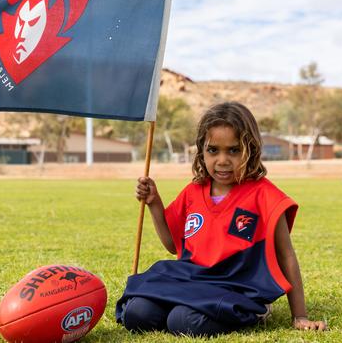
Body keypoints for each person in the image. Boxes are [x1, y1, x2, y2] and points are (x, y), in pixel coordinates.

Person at [116, 101, 327, 337]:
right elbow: (172, 244)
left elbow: (286, 256)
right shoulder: (193, 191)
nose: (223, 160)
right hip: (191, 280)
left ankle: (254, 311)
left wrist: (300, 316)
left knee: (182, 320)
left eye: (234, 150)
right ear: (201, 151)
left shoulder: (265, 196)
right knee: (136, 313)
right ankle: (182, 306)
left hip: (236, 286)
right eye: (213, 150)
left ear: (251, 149)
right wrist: (155, 203)